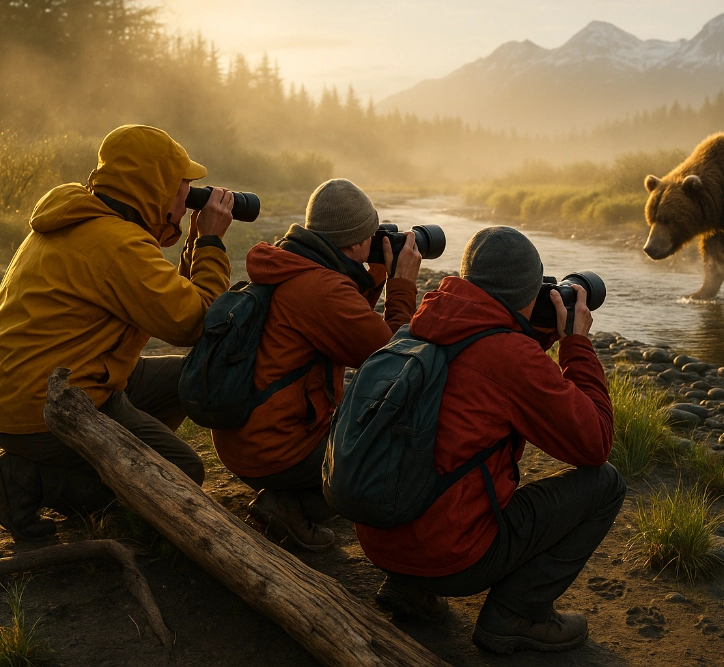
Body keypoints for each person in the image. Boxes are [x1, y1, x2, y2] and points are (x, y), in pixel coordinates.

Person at [354, 226, 625, 654]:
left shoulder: (422, 323)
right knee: (605, 483)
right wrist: (575, 343)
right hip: (451, 557)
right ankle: (518, 615)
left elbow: (482, 363)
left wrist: (530, 333)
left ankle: (409, 588)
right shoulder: (510, 357)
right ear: (527, 293)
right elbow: (594, 443)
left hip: (379, 535)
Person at [0, 124, 234, 540]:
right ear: (152, 187)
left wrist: (193, 242)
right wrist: (211, 242)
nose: (188, 197)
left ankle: (115, 459)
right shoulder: (115, 242)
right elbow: (196, 323)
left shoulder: (80, 219)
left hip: (30, 390)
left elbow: (166, 301)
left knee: (188, 378)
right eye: (182, 188)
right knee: (181, 475)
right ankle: (29, 479)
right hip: (44, 410)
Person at [211, 179, 421, 551]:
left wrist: (373, 272)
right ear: (357, 242)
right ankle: (290, 506)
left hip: (242, 438)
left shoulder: (292, 262)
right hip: (275, 451)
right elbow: (391, 363)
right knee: (398, 449)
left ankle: (290, 499)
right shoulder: (321, 288)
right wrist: (401, 284)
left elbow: (346, 322)